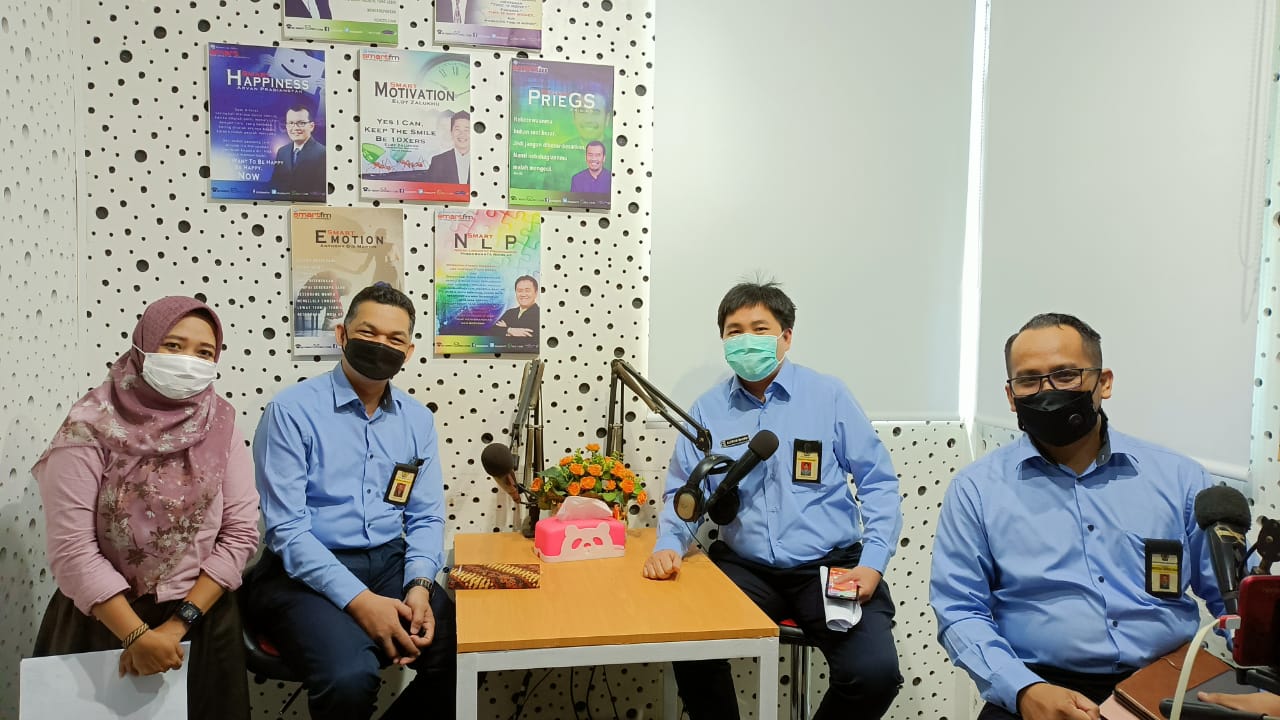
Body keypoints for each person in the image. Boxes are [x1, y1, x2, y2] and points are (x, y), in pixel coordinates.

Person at [929, 313, 1226, 720]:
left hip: (1164, 685)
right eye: (1029, 380)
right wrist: (1023, 690)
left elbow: (1231, 600)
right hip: (1037, 687)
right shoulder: (977, 490)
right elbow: (960, 610)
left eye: (1066, 375)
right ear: (1011, 396)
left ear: (1104, 382)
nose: (1047, 391)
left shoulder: (1181, 479)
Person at [642, 281, 904, 720]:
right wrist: (669, 544)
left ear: (786, 336)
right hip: (747, 568)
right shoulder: (707, 410)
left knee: (873, 673)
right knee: (691, 643)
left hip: (830, 567)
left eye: (759, 329)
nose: (746, 339)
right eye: (734, 331)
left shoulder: (829, 396)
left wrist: (872, 562)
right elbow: (686, 493)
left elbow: (878, 483)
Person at [31, 296, 259, 720]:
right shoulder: (90, 425)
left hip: (201, 618)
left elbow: (240, 532)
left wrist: (177, 625)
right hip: (104, 622)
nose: (188, 361)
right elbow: (73, 549)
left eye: (204, 352)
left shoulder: (221, 424)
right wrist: (136, 635)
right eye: (173, 345)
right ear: (143, 346)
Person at [246, 283, 456, 720]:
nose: (381, 345)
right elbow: (287, 531)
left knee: (463, 649)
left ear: (409, 352)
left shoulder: (417, 419)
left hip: (390, 563)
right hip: (301, 571)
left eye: (395, 339)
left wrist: (420, 584)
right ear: (342, 335)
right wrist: (361, 601)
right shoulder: (291, 412)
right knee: (349, 677)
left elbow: (425, 516)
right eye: (368, 332)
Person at [269, 103, 326, 198]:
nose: (295, 128)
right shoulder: (282, 151)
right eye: (291, 123)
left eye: (301, 123)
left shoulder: (323, 153)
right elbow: (275, 183)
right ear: (286, 126)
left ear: (311, 126)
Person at [422, 111, 470, 185]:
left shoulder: (482, 159)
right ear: (451, 132)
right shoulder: (437, 161)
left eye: (466, 130)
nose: (462, 134)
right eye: (457, 129)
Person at [491, 274, 539, 344]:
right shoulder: (509, 313)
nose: (523, 294)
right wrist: (509, 330)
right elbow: (492, 331)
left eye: (527, 291)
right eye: (520, 291)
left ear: (536, 293)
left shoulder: (540, 314)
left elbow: (531, 339)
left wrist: (504, 330)